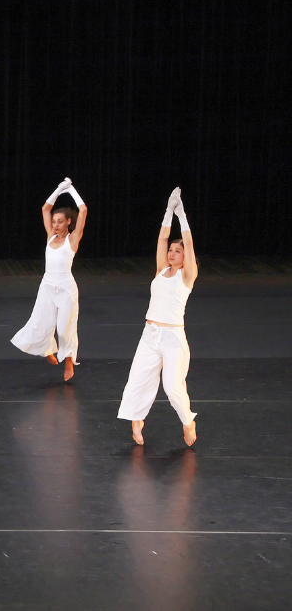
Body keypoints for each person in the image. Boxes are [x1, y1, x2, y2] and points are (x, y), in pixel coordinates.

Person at [117, 188, 198, 447]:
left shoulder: (187, 276)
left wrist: (182, 214)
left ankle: (188, 421)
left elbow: (189, 243)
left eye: (177, 251)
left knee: (172, 388)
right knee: (137, 379)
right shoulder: (161, 270)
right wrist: (168, 210)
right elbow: (162, 238)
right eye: (172, 250)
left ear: (185, 256)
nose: (172, 253)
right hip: (150, 335)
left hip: (173, 337)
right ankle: (137, 419)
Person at [10, 178, 88, 381]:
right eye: (54, 221)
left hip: (65, 289)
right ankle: (47, 349)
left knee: (64, 330)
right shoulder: (50, 237)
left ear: (68, 222)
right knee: (39, 323)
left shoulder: (72, 240)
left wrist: (71, 190)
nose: (55, 224)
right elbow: (46, 208)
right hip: (46, 287)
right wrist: (59, 188)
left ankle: (69, 361)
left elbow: (83, 209)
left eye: (59, 221)